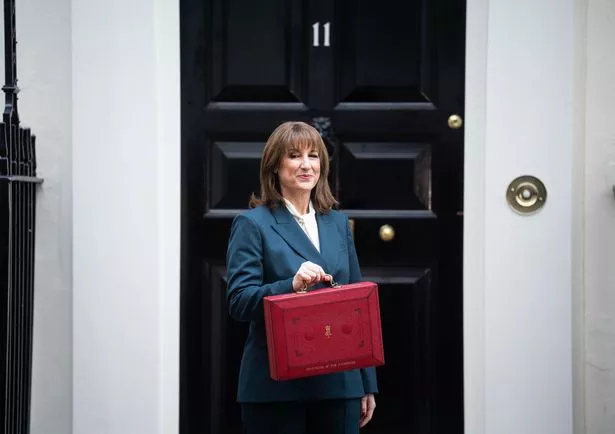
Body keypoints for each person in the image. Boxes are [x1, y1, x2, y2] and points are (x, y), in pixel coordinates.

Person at [226, 121, 378, 434]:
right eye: (295, 156)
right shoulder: (252, 223)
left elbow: (359, 306)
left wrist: (366, 382)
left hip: (339, 385)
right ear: (274, 166)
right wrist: (290, 286)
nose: (306, 165)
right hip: (275, 388)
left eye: (314, 156)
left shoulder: (337, 223)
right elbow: (239, 302)